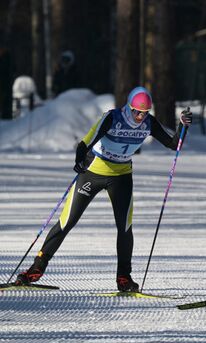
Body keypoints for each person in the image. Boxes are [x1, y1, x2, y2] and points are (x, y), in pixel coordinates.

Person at [15, 87, 192, 292]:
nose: (139, 117)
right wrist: (80, 158)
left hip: (121, 177)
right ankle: (35, 270)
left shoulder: (148, 123)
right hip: (93, 172)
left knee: (125, 228)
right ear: (128, 107)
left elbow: (172, 144)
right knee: (66, 221)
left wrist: (182, 126)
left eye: (144, 113)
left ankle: (124, 278)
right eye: (136, 111)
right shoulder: (112, 118)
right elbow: (86, 141)